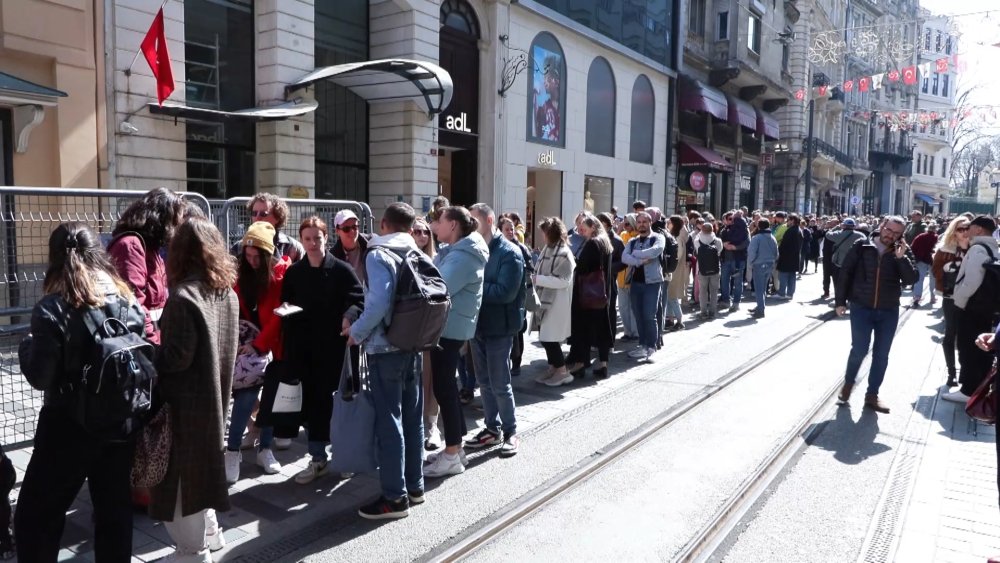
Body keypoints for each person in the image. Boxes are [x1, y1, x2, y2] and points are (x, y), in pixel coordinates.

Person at [16, 222, 146, 562]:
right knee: (114, 512)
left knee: (36, 516)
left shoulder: (53, 307)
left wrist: (26, 348)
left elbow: (41, 376)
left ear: (55, 258)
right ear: (98, 255)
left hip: (68, 424)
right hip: (120, 421)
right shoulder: (126, 298)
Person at [151, 217, 240, 558]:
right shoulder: (226, 292)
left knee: (181, 484)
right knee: (204, 469)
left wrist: (149, 350)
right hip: (216, 399)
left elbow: (175, 359)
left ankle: (193, 552)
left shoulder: (183, 297)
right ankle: (213, 536)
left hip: (184, 406)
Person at [345, 203, 425, 519]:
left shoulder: (379, 254)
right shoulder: (417, 252)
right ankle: (414, 486)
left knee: (389, 422)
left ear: (383, 224)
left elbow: (378, 301)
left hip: (385, 346)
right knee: (412, 418)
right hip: (413, 343)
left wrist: (357, 332)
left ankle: (394, 498)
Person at [281, 217, 365, 484]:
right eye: (307, 239)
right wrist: (286, 314)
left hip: (337, 350)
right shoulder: (295, 272)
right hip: (306, 350)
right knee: (313, 406)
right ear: (301, 240)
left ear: (326, 238)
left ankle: (346, 456)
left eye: (317, 238)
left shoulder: (341, 270)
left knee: (341, 404)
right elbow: (286, 302)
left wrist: (349, 316)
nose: (313, 243)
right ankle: (318, 459)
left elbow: (358, 299)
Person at [423, 207, 489, 478]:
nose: (433, 226)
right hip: (450, 327)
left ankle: (451, 453)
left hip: (449, 329)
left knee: (445, 388)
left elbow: (438, 287)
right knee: (446, 386)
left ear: (451, 225)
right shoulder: (459, 251)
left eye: (438, 221)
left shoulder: (463, 256)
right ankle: (456, 446)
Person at [225, 222, 288, 484]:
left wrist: (259, 344)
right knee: (245, 396)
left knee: (271, 397)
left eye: (256, 257)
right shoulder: (239, 274)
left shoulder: (282, 274)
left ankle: (265, 448)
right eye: (247, 256)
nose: (251, 261)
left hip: (273, 344)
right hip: (247, 346)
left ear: (267, 255)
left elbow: (279, 316)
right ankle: (232, 451)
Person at [835, 216, 917, 414]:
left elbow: (911, 279)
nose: (891, 235)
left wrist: (901, 258)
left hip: (888, 310)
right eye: (889, 230)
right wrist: (840, 302)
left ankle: (872, 395)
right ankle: (848, 383)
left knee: (881, 355)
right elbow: (845, 272)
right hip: (861, 306)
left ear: (902, 234)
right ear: (882, 227)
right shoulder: (862, 245)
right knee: (859, 349)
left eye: (897, 233)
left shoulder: (904, 252)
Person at [464, 203, 524, 455]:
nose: (470, 227)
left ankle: (511, 431)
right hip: (479, 325)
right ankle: (492, 428)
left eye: (473, 221)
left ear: (489, 221)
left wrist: (474, 286)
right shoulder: (476, 248)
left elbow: (505, 292)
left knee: (500, 382)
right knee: (485, 382)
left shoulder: (510, 252)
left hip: (500, 327)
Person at [108, 186, 186, 345]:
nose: (177, 229)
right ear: (163, 219)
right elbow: (133, 303)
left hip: (152, 339)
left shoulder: (150, 248)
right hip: (142, 343)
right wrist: (154, 344)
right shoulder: (131, 246)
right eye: (175, 222)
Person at [942, 216, 999, 404]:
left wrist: (959, 300)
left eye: (970, 227)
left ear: (979, 230)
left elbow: (972, 280)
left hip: (971, 306)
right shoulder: (993, 247)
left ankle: (967, 390)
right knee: (983, 348)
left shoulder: (977, 249)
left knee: (968, 348)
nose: (967, 230)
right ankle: (980, 387)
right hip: (986, 306)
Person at [566, 213, 614, 379]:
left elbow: (583, 267)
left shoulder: (592, 243)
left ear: (593, 227)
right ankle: (603, 364)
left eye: (584, 229)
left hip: (588, 294)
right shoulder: (605, 241)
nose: (581, 232)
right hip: (602, 293)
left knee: (582, 330)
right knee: (601, 330)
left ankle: (580, 364)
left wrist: (572, 261)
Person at [531, 218, 577, 384]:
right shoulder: (548, 249)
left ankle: (562, 371)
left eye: (544, 232)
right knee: (545, 337)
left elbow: (564, 280)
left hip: (557, 302)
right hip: (546, 300)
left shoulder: (564, 253)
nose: (542, 236)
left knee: (549, 338)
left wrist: (538, 279)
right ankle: (554, 367)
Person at [931, 216, 971, 387]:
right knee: (950, 333)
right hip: (951, 297)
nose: (964, 232)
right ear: (954, 231)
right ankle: (951, 372)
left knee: (968, 336)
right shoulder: (944, 249)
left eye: (967, 228)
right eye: (960, 229)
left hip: (972, 298)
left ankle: (967, 372)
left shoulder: (976, 248)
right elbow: (935, 271)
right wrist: (948, 270)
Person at [621, 212, 666, 361]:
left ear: (650, 222)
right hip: (636, 283)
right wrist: (640, 260)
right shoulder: (632, 241)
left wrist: (636, 254)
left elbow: (656, 251)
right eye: (639, 222)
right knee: (638, 315)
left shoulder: (657, 238)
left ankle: (651, 347)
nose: (641, 224)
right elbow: (624, 257)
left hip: (652, 282)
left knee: (649, 315)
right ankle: (643, 345)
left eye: (644, 222)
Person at [499, 216, 533, 377]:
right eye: (507, 229)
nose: (511, 232)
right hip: (501, 297)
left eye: (512, 229)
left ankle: (516, 362)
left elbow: (530, 270)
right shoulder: (496, 247)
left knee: (517, 330)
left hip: (518, 296)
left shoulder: (521, 248)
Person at [231, 192, 305, 262]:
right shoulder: (239, 247)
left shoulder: (292, 247)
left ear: (277, 217)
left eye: (263, 214)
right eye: (254, 213)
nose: (257, 217)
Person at [598, 212, 626, 343]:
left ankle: (609, 341)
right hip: (593, 282)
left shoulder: (616, 240)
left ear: (608, 224)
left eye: (601, 223)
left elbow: (623, 262)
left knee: (609, 312)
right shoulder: (594, 239)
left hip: (609, 282)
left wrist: (608, 268)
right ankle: (595, 340)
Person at [719, 211, 749, 313]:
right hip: (726, 259)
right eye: (729, 219)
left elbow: (746, 243)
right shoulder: (724, 230)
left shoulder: (744, 229)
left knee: (737, 282)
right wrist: (724, 244)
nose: (732, 221)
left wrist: (735, 247)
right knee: (724, 281)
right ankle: (726, 300)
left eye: (733, 219)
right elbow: (719, 242)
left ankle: (736, 303)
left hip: (738, 260)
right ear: (725, 220)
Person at [747, 218, 778, 319]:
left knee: (759, 289)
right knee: (763, 288)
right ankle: (760, 306)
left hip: (759, 265)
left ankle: (760, 310)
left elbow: (751, 253)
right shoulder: (772, 237)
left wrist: (751, 263)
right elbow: (776, 253)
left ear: (759, 226)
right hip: (769, 265)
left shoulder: (757, 238)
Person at [694, 222, 723, 319]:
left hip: (702, 269)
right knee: (714, 291)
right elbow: (719, 251)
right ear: (713, 230)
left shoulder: (697, 241)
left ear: (701, 230)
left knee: (703, 291)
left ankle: (703, 312)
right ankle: (712, 312)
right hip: (715, 268)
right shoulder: (717, 241)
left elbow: (697, 251)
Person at [666, 215, 690, 331]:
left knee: (673, 297)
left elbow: (677, 255)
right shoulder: (676, 237)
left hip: (674, 271)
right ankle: (670, 319)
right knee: (670, 296)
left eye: (669, 222)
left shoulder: (678, 238)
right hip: (674, 270)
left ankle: (680, 321)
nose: (667, 224)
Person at [617, 214, 639, 340]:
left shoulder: (638, 237)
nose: (624, 226)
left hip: (633, 277)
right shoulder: (622, 235)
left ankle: (636, 332)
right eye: (624, 224)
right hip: (621, 277)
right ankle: (627, 332)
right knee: (623, 307)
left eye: (627, 224)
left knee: (633, 306)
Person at [331, 209, 370, 273]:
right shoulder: (333, 257)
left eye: (355, 227)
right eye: (346, 229)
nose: (352, 231)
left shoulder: (371, 243)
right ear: (337, 231)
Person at [910, 224, 939, 308]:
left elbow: (913, 247)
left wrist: (916, 257)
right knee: (933, 279)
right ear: (935, 229)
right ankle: (932, 297)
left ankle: (917, 297)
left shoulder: (920, 236)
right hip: (932, 261)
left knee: (919, 279)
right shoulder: (936, 237)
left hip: (921, 260)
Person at [776, 214, 803, 300]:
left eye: (788, 220)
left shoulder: (791, 231)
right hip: (794, 257)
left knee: (783, 275)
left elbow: (784, 245)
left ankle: (781, 293)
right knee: (792, 276)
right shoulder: (799, 230)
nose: (787, 222)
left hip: (787, 257)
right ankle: (790, 294)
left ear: (792, 221)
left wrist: (779, 252)